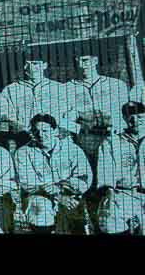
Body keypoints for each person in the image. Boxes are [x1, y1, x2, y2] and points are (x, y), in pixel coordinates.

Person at [12, 114, 90, 233]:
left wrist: (67, 192)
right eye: (36, 131)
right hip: (40, 195)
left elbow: (84, 177)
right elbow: (28, 183)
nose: (41, 135)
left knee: (76, 216)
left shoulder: (72, 149)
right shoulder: (23, 152)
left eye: (45, 130)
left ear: (55, 130)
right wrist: (58, 197)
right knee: (40, 209)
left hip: (70, 194)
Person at [94, 103, 145, 234]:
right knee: (110, 224)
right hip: (123, 194)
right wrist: (109, 194)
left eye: (140, 117)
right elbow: (106, 174)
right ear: (124, 118)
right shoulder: (112, 142)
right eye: (130, 117)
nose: (135, 121)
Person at [3, 49, 73, 141]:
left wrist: (66, 129)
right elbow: (6, 116)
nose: (29, 67)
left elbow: (73, 111)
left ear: (45, 65)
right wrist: (21, 130)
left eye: (34, 63)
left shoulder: (59, 87)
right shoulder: (10, 90)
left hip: (57, 138)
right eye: (26, 64)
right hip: (26, 139)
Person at [63, 52, 136, 139]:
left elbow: (129, 114)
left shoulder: (116, 84)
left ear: (95, 60)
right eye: (77, 62)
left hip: (116, 135)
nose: (81, 65)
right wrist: (80, 130)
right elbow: (64, 120)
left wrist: (121, 126)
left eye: (85, 60)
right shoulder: (65, 89)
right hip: (86, 140)